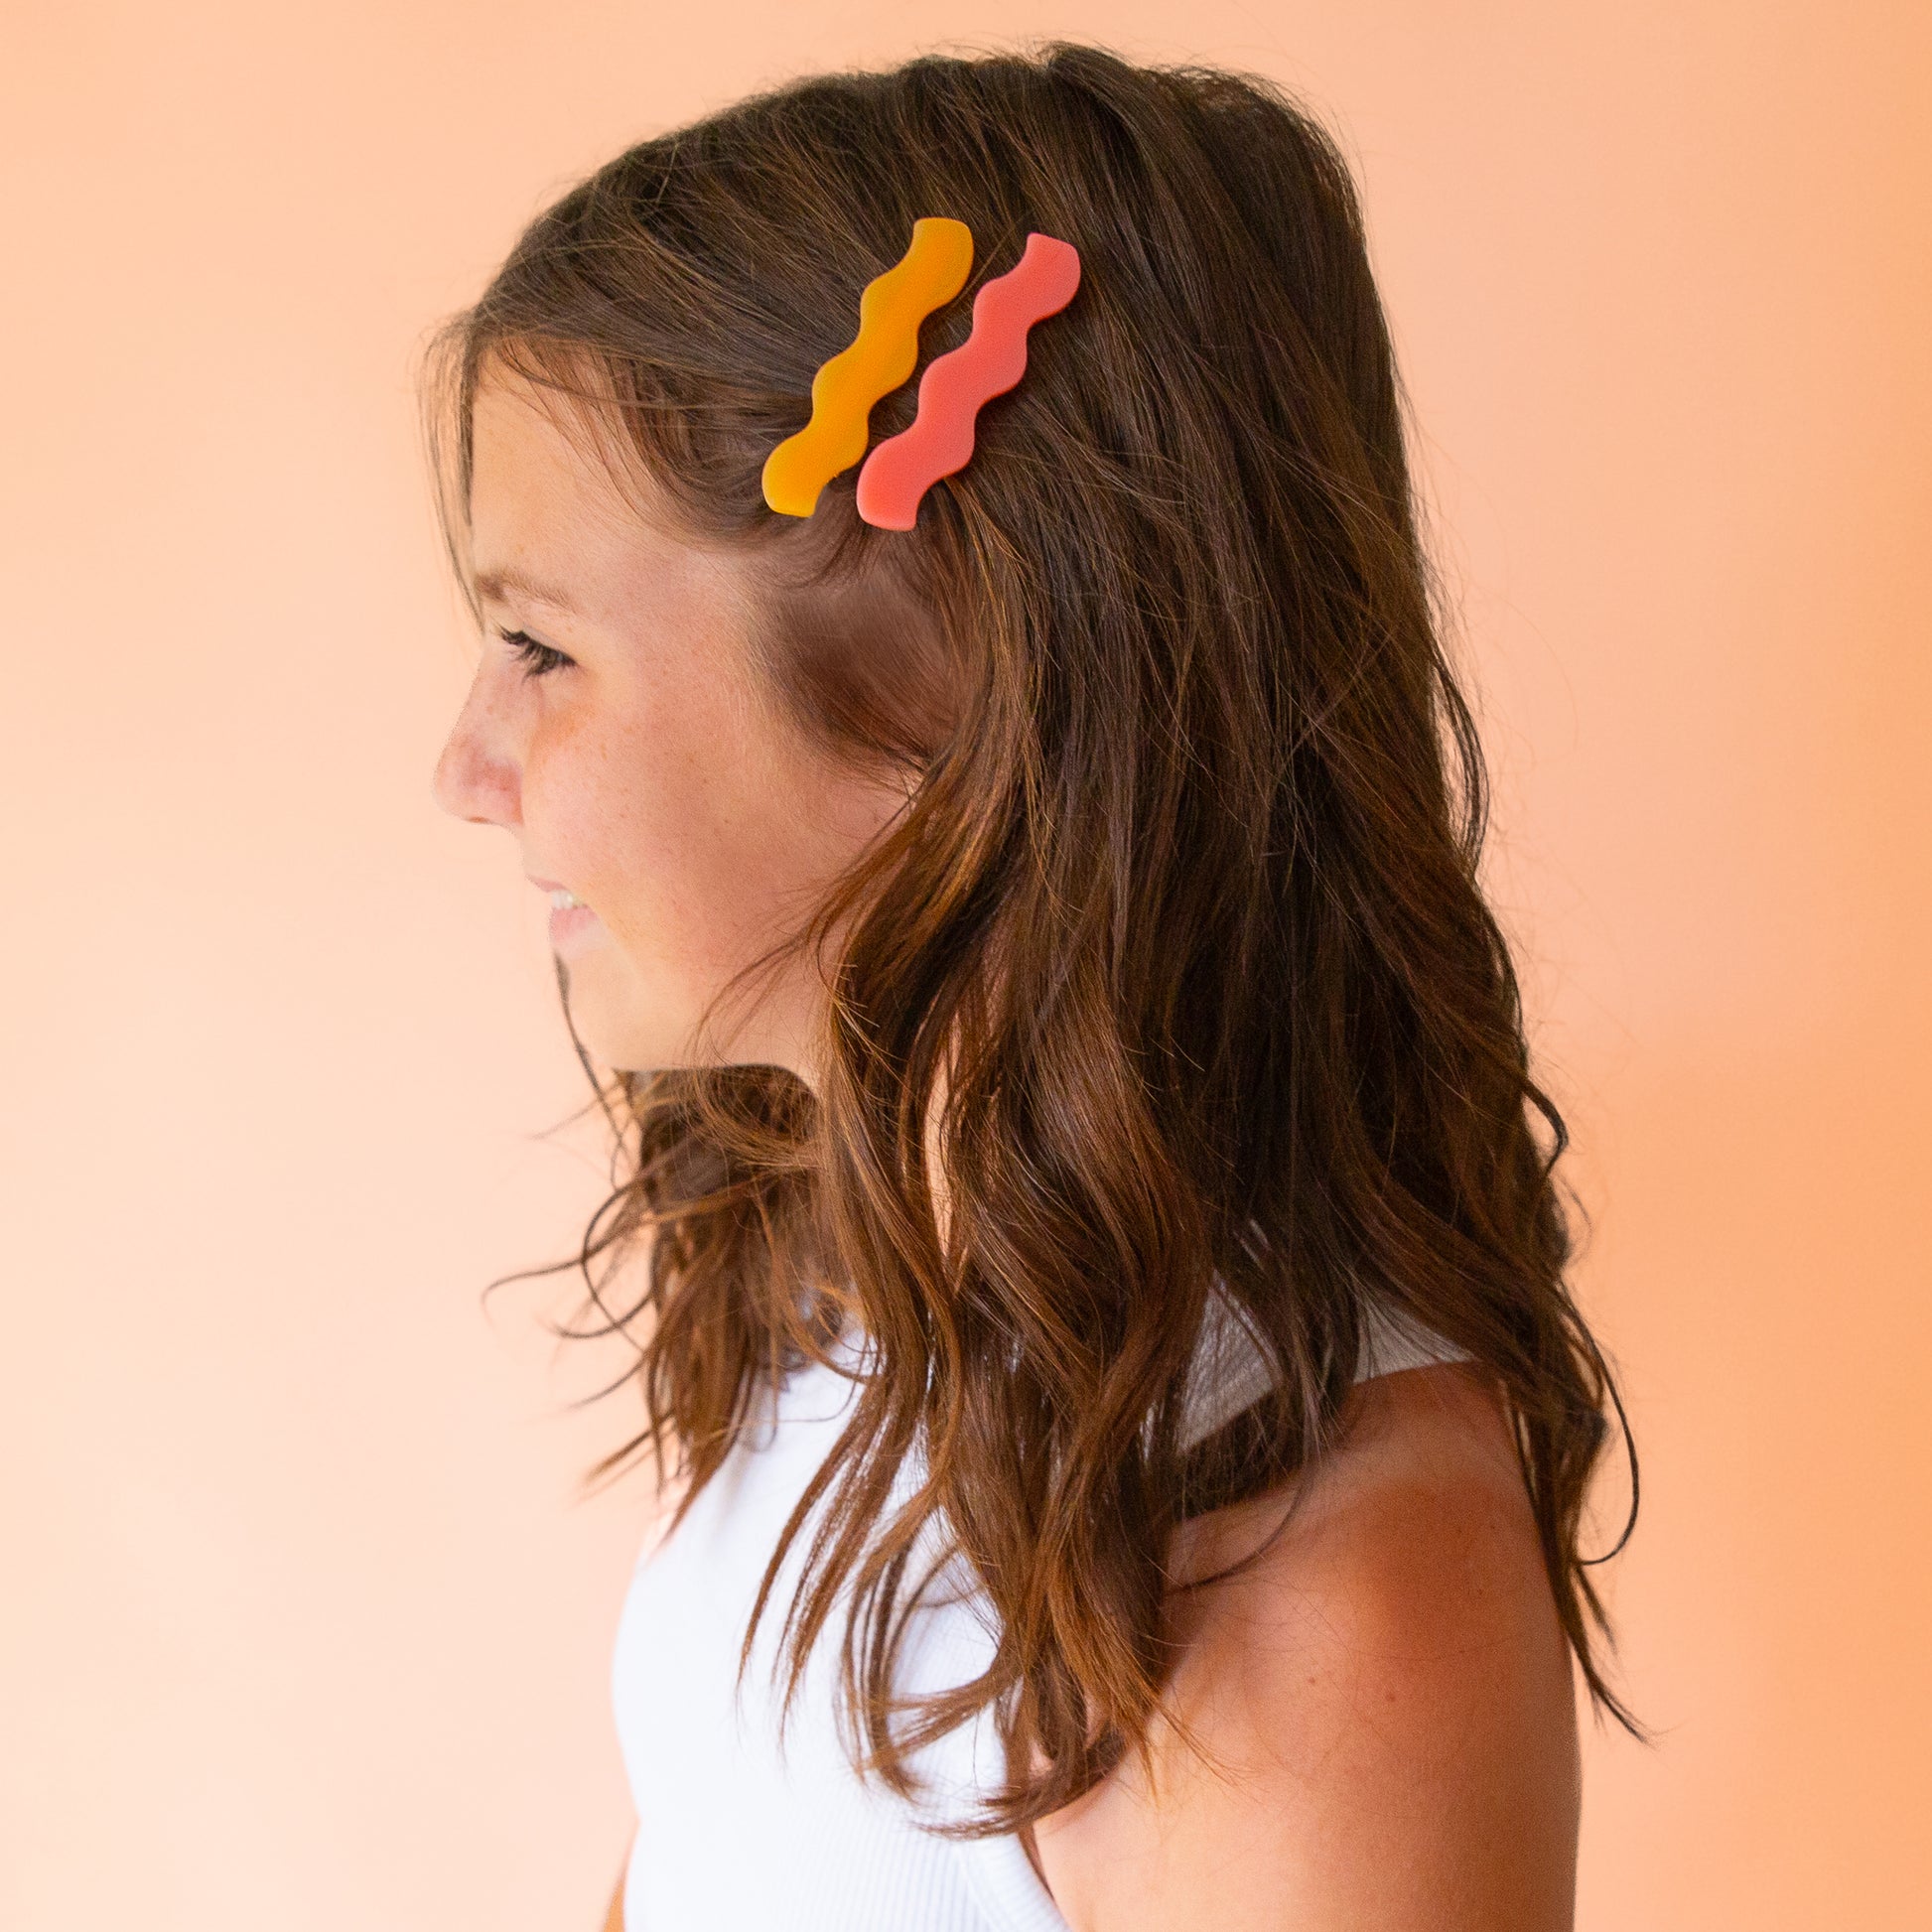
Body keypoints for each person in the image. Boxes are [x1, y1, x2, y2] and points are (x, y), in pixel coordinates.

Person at [423, 40, 1638, 1932]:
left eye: (539, 645)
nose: (467, 764)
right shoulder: (850, 1292)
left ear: (949, 686)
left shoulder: (1322, 1598)